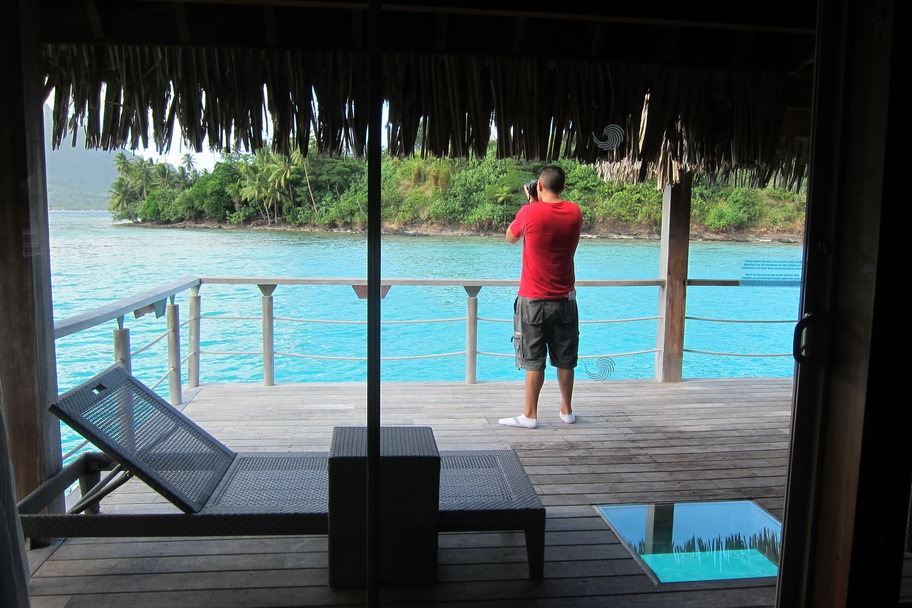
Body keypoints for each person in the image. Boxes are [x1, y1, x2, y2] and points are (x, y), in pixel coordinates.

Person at [499, 164, 582, 429]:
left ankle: (530, 415)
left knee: (534, 359)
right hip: (565, 299)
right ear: (563, 187)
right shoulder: (575, 212)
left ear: (539, 186)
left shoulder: (528, 212)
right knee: (565, 357)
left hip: (533, 300)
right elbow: (552, 220)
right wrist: (537, 203)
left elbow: (510, 238)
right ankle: (567, 410)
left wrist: (531, 204)